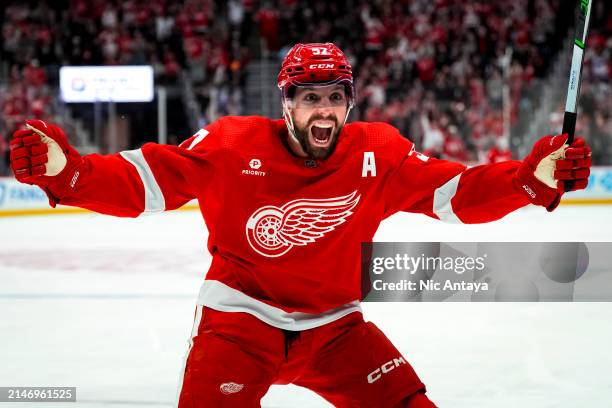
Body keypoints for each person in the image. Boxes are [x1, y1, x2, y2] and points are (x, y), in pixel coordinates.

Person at [9, 43, 591, 407]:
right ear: (286, 103)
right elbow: (144, 182)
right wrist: (71, 173)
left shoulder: (379, 153)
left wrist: (528, 179)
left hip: (337, 330)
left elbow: (458, 194)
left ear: (349, 104)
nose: (324, 110)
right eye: (310, 97)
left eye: (335, 98)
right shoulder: (232, 145)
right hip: (240, 324)